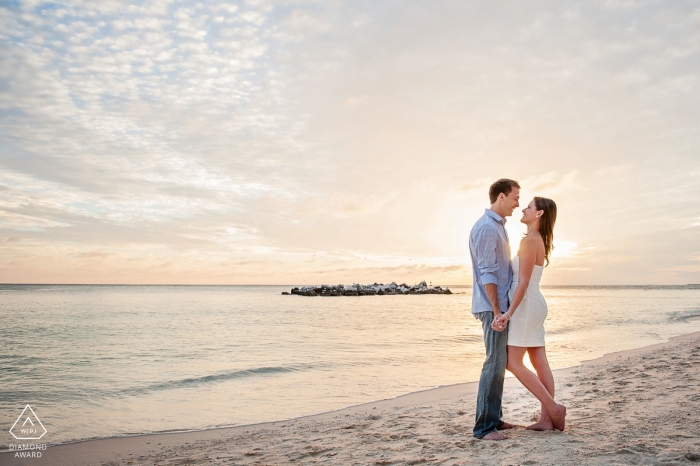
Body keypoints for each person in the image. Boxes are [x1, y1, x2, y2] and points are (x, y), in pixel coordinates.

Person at [494, 197, 567, 431]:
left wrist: (508, 314)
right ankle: (546, 420)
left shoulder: (529, 242)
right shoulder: (538, 240)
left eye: (529, 207)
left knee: (513, 362)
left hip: (525, 305)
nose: (523, 209)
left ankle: (554, 409)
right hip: (533, 303)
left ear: (539, 214)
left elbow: (523, 281)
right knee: (539, 362)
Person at [469, 178, 520, 440]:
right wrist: (498, 310)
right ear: (501, 197)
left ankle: (494, 419)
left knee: (499, 363)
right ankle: (484, 427)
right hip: (493, 307)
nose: (517, 203)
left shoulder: (497, 226)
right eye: (515, 197)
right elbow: (487, 274)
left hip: (498, 306)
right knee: (493, 363)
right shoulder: (487, 228)